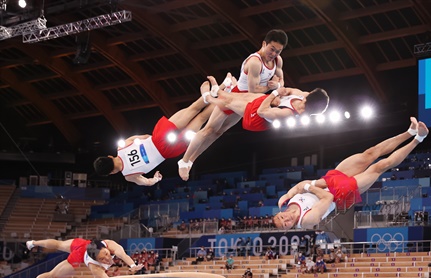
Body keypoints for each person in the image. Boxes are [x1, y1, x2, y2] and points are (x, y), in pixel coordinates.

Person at [274, 118, 428, 229]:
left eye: (282, 217)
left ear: (280, 212)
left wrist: (289, 195)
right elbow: (327, 197)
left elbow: (297, 187)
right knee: (380, 166)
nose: (286, 219)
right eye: (285, 224)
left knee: (370, 153)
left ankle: (410, 131)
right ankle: (419, 138)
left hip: (329, 179)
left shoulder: (287, 202)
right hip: (340, 193)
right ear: (287, 229)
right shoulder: (306, 220)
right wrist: (311, 187)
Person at [177, 29, 288, 181]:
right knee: (209, 129)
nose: (273, 54)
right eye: (272, 49)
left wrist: (278, 84)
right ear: (264, 44)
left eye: (278, 51)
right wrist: (271, 87)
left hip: (247, 103)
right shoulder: (255, 62)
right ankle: (184, 160)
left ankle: (191, 160)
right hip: (235, 98)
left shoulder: (278, 61)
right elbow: (253, 90)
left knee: (218, 132)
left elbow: (281, 82)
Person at [178, 77, 329, 180]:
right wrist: (278, 91)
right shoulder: (302, 95)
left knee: (221, 117)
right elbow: (288, 90)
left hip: (257, 117)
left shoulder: (290, 114)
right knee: (213, 130)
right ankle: (186, 161)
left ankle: (209, 96)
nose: (305, 95)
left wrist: (275, 94)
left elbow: (262, 112)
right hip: (261, 101)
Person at [93, 89, 217, 186]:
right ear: (109, 156)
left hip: (167, 151)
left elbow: (147, 182)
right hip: (159, 136)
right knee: (194, 108)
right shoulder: (123, 145)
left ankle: (223, 97)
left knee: (202, 118)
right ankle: (220, 89)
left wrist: (155, 179)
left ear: (111, 172)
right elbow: (146, 136)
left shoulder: (129, 176)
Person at [20, 238, 143, 278]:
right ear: (96, 260)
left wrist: (132, 266)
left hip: (83, 243)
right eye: (102, 259)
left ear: (105, 248)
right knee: (51, 274)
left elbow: (123, 256)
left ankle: (32, 243)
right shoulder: (94, 267)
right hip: (79, 254)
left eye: (106, 254)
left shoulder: (111, 245)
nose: (107, 258)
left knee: (59, 244)